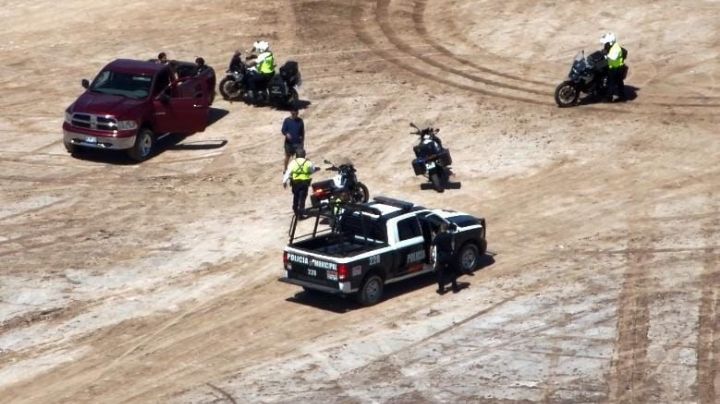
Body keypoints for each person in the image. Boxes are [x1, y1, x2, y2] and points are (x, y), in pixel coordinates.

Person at [282, 149, 318, 218]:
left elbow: (288, 172)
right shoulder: (308, 162)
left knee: (296, 196)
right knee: (302, 197)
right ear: (304, 155)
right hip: (304, 183)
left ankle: (295, 209)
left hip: (295, 183)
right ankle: (301, 213)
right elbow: (312, 170)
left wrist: (284, 181)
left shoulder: (293, 163)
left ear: (296, 156)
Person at [432, 222, 459, 294]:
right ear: (447, 229)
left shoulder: (438, 237)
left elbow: (432, 245)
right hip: (449, 256)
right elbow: (453, 244)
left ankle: (441, 290)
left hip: (441, 256)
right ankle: (455, 288)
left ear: (441, 228)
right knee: (452, 271)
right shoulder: (450, 235)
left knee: (440, 273)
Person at [600, 32, 627, 102]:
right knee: (619, 82)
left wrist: (605, 55)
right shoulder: (611, 47)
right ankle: (622, 96)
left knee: (611, 83)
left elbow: (611, 58)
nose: (605, 45)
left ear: (610, 43)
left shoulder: (616, 49)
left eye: (606, 43)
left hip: (616, 69)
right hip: (615, 67)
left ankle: (608, 98)